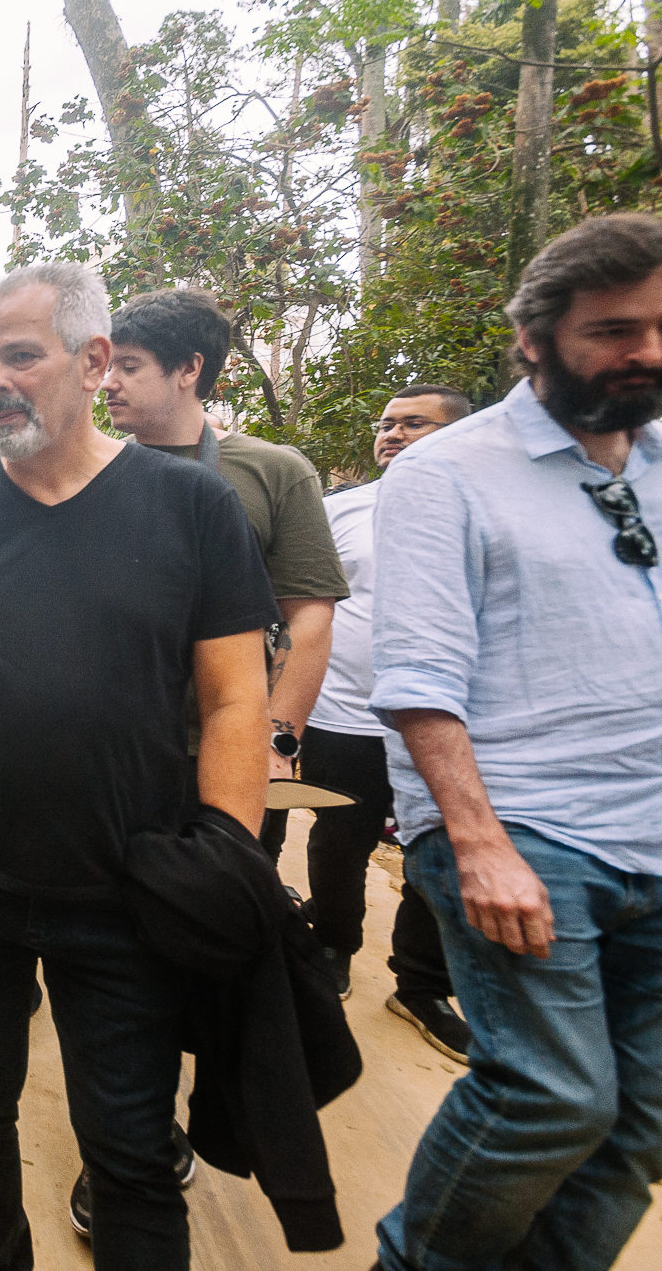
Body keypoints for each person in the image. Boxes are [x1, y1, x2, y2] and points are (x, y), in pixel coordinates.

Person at [0, 262, 278, 1271]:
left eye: (18, 355)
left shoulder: (190, 508)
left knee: (130, 1145)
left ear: (94, 361)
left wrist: (220, 853)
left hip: (129, 891)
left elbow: (235, 698)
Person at [370, 214, 662, 1271]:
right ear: (532, 338)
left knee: (637, 1122)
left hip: (650, 828)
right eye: (613, 330)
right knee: (548, 1091)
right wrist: (479, 840)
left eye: (659, 326)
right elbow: (415, 678)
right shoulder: (446, 473)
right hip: (519, 824)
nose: (645, 352)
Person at [104, 287, 347, 866]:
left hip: (224, 748)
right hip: (112, 751)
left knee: (215, 920)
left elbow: (309, 615)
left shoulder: (274, 471)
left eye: (128, 366)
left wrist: (275, 739)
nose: (108, 381)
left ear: (190, 368)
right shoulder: (92, 473)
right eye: (107, 364)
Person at [305, 384, 470, 1060]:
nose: (393, 433)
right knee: (339, 840)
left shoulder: (480, 509)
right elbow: (302, 607)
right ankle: (334, 947)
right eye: (386, 423)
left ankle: (422, 985)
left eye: (414, 423)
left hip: (447, 724)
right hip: (345, 717)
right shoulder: (339, 510)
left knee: (439, 853)